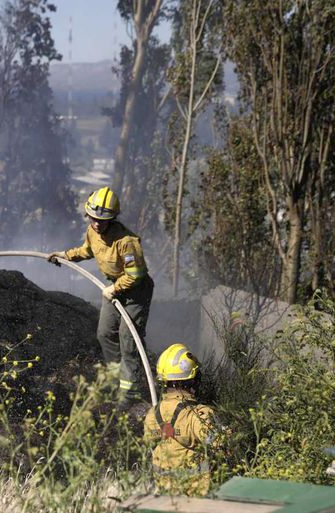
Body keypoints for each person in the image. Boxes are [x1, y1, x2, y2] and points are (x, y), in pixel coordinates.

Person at [47, 186, 154, 408]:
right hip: (112, 286)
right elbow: (87, 250)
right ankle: (116, 380)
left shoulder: (126, 242)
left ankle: (130, 392)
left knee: (128, 338)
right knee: (105, 333)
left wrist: (114, 289)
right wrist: (65, 256)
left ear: (112, 219)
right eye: (93, 218)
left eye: (102, 221)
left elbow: (136, 275)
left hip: (135, 292)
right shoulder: (92, 232)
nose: (97, 224)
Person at [143, 343, 217, 495]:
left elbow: (149, 444)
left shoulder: (152, 415)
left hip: (165, 499)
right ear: (192, 380)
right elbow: (224, 446)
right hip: (196, 501)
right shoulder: (199, 416)